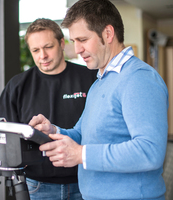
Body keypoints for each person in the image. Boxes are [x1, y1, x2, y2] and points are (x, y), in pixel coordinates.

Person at [29, 1, 169, 200]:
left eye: (83, 39)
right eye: (74, 41)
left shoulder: (139, 78)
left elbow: (149, 152)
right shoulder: (100, 81)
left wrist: (81, 155)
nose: (77, 49)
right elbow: (82, 134)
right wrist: (54, 131)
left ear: (108, 34)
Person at [0, 18, 97, 200]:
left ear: (62, 43)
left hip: (87, 183)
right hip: (37, 187)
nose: (43, 55)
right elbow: (2, 133)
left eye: (48, 47)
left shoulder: (90, 78)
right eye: (36, 50)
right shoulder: (18, 86)